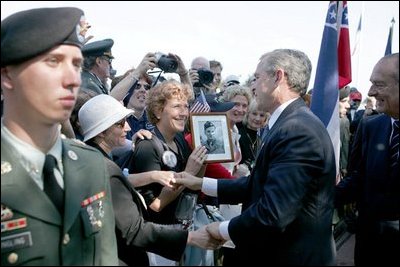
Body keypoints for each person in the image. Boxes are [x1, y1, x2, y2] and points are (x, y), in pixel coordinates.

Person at [175, 49, 337, 265]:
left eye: (257, 77)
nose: (252, 85)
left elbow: (274, 213)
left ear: (278, 77)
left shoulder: (297, 130)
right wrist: (200, 183)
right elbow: (256, 184)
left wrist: (222, 229)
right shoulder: (289, 123)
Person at [1, 7, 118, 265]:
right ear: (7, 74)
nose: (71, 79)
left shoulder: (90, 164)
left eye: (76, 64)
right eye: (53, 61)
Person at [78, 94, 222, 266]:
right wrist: (191, 238)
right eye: (121, 123)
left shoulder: (91, 160)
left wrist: (155, 175)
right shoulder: (106, 169)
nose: (128, 127)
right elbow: (134, 229)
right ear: (102, 132)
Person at [336, 53, 399, 266]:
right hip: (370, 244)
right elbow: (358, 177)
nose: (371, 92)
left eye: (379, 85)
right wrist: (321, 199)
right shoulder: (371, 126)